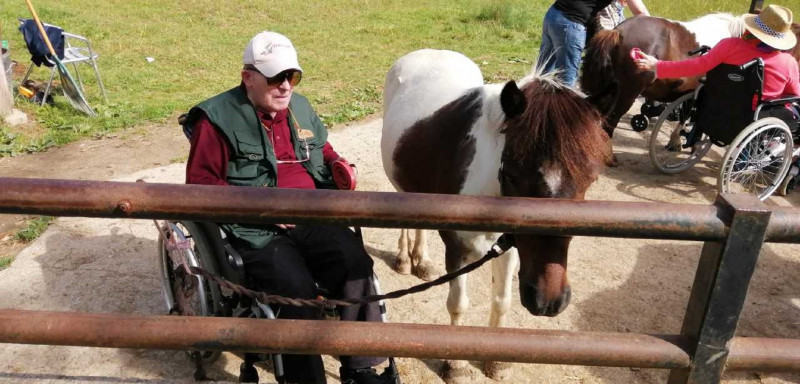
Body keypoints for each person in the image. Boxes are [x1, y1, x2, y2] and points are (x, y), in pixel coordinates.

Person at [184, 31, 394, 384]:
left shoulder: (302, 108)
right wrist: (261, 210)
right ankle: (305, 378)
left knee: (355, 264)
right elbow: (201, 185)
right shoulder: (216, 118)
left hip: (312, 214)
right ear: (247, 77)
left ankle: (361, 368)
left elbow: (323, 154)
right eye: (275, 77)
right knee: (293, 288)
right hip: (254, 229)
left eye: (291, 76)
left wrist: (340, 168)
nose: (285, 86)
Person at [634, 5, 799, 110]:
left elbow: (696, 66)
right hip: (756, 116)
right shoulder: (787, 63)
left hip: (719, 107)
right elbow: (795, 94)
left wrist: (657, 65)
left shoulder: (730, 45)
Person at [537, 0, 648, 86]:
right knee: (566, 80)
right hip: (571, 23)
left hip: (553, 15)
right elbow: (640, 12)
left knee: (541, 72)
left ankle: (528, 108)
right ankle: (560, 114)